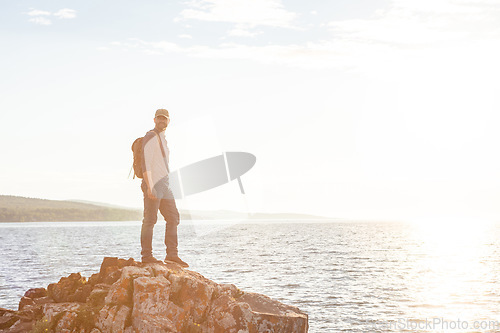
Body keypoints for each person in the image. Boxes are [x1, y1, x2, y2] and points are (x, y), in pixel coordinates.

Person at [140, 108, 188, 267]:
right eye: (159, 118)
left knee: (173, 217)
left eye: (164, 119)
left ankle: (172, 255)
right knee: (150, 220)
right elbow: (145, 162)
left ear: (168, 121)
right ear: (154, 120)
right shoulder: (151, 136)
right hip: (154, 183)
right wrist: (149, 185)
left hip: (166, 184)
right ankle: (146, 256)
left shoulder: (163, 138)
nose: (162, 121)